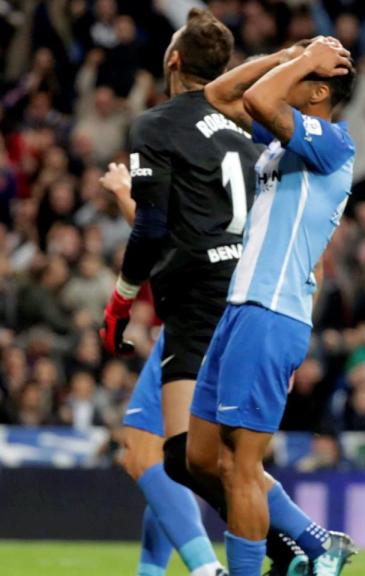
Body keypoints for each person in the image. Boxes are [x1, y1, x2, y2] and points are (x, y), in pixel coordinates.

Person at [188, 36, 357, 576]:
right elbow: (218, 94)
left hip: (271, 312)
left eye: (306, 77)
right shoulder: (287, 146)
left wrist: (305, 60)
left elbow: (260, 101)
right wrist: (289, 57)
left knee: (241, 467)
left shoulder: (332, 145)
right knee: (201, 458)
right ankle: (316, 542)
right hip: (242, 307)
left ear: (320, 91)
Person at [99, 162, 225, 576]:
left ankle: (207, 568)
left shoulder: (196, 146)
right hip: (235, 323)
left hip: (196, 321)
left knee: (142, 451)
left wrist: (121, 192)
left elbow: (164, 238)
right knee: (172, 459)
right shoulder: (246, 162)